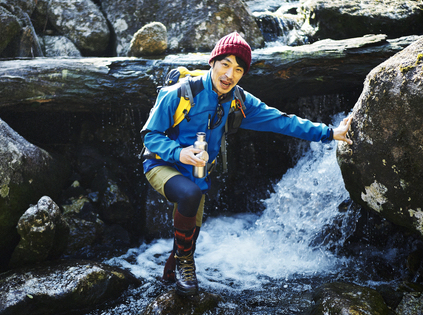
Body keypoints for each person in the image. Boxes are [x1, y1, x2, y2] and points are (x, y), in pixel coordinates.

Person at [140, 32, 352, 297]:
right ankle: (186, 264)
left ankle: (173, 267)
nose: (230, 74)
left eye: (238, 70)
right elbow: (150, 135)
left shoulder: (239, 102)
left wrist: (330, 133)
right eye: (225, 64)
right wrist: (179, 153)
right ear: (213, 62)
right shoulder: (179, 94)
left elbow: (282, 121)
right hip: (162, 164)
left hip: (197, 173)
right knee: (189, 196)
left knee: (189, 233)